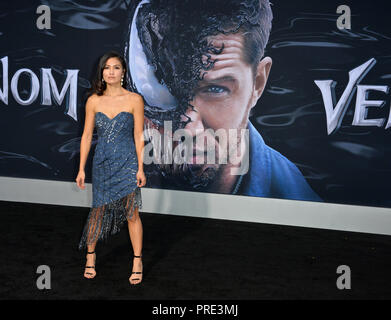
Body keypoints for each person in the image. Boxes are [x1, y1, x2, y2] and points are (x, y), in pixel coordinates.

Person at [124, 0, 321, 202]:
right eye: (162, 90)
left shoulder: (299, 206)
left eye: (216, 89)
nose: (190, 129)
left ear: (258, 83)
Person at [76, 51, 146, 285]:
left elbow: (138, 136)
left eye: (116, 67)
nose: (111, 72)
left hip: (127, 163)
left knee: (132, 213)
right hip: (102, 163)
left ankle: (137, 260)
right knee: (97, 210)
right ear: (102, 73)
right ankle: (90, 256)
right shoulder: (94, 101)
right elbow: (86, 136)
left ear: (123, 72)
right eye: (107, 68)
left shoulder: (135, 100)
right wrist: (81, 169)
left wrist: (140, 168)